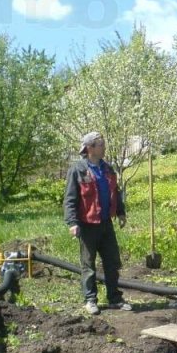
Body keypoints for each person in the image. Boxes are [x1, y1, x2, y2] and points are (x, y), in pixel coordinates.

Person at [63, 131, 131, 315]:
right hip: (87, 226)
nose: (104, 147)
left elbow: (115, 193)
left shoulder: (107, 169)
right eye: (101, 144)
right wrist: (72, 222)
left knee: (112, 262)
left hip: (105, 224)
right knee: (88, 265)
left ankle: (114, 299)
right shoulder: (78, 170)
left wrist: (121, 212)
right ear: (90, 148)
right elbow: (70, 199)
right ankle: (90, 300)